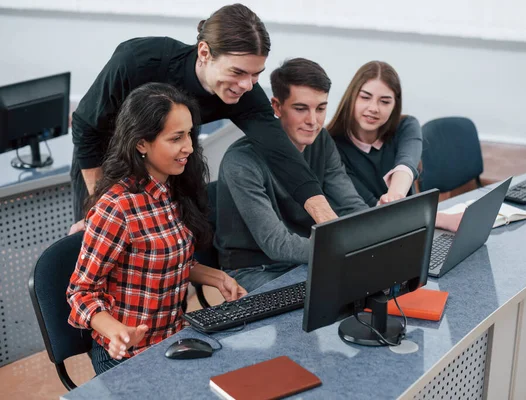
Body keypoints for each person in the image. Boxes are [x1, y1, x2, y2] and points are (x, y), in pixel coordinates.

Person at [69, 3, 336, 233]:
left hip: (165, 167)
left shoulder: (245, 93)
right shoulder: (138, 60)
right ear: (205, 52)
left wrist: (328, 221)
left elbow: (281, 154)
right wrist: (99, 203)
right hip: (105, 162)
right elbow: (85, 125)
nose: (247, 85)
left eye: (256, 74)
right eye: (238, 72)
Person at [67, 83, 247, 375]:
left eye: (189, 133)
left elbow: (168, 260)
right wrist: (116, 331)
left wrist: (217, 277)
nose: (189, 146)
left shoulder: (172, 189)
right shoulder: (117, 208)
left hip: (173, 340)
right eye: (176, 138)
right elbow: (80, 292)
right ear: (141, 143)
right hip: (125, 355)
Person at [214, 58, 368, 292]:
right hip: (256, 268)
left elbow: (350, 205)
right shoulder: (241, 161)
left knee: (366, 288)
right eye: (301, 108)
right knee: (324, 299)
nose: (313, 121)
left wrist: (376, 237)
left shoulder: (321, 141)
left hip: (307, 254)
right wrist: (345, 247)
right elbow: (276, 244)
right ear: (276, 107)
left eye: (321, 108)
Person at [328, 61, 462, 231]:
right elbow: (372, 210)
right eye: (365, 97)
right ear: (351, 97)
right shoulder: (331, 146)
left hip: (413, 228)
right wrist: (441, 219)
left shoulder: (406, 125)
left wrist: (395, 195)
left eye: (384, 101)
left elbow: (406, 165)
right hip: (368, 234)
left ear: (395, 105)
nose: (374, 108)